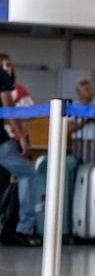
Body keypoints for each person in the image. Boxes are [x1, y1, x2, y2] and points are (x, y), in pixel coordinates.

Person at [0, 62, 40, 246]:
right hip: (1, 142)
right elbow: (8, 109)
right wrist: (22, 138)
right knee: (28, 173)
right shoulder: (2, 76)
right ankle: (25, 228)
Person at [70, 79, 95, 163]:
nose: (90, 92)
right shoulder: (74, 107)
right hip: (81, 142)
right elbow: (68, 128)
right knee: (83, 167)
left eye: (91, 89)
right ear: (79, 93)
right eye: (87, 89)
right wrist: (83, 122)